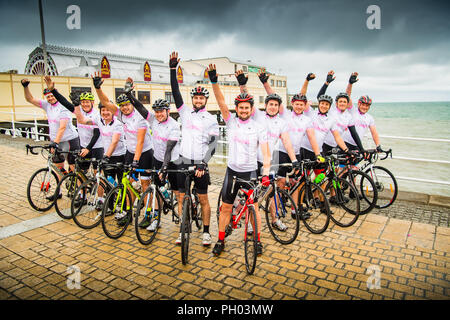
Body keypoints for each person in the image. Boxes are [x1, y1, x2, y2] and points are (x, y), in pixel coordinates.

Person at [208, 64, 271, 257]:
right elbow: (220, 103)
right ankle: (220, 240)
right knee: (226, 207)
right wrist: (214, 81)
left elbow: (267, 155)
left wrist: (266, 175)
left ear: (252, 109)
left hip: (250, 172)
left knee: (254, 208)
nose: (243, 110)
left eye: (247, 107)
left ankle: (258, 241)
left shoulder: (259, 127)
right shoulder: (231, 122)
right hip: (232, 172)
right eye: (240, 107)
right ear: (237, 109)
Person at [44, 76, 126, 210]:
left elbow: (97, 133)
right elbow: (64, 102)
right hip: (84, 146)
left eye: (88, 102)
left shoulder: (97, 114)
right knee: (80, 172)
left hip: (97, 147)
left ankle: (100, 198)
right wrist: (54, 90)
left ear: (92, 102)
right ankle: (82, 196)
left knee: (98, 174)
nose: (85, 104)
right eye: (83, 102)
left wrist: (88, 148)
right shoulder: (79, 111)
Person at [235, 69, 299, 231]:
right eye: (270, 104)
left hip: (269, 161)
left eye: (276, 105)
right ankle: (249, 223)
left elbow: (287, 142)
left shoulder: (281, 122)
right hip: (253, 159)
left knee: (275, 189)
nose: (273, 107)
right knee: (251, 192)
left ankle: (275, 219)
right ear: (266, 105)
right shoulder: (258, 116)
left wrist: (294, 160)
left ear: (278, 107)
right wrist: (242, 84)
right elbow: (246, 98)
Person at [169, 52, 219, 246]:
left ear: (205, 100)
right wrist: (172, 69)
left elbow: (213, 145)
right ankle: (184, 229)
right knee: (181, 197)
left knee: (203, 198)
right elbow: (175, 92)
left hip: (200, 162)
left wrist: (203, 164)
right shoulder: (185, 113)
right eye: (196, 98)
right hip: (183, 159)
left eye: (201, 99)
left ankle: (206, 232)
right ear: (193, 99)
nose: (198, 101)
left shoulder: (211, 119)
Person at [91, 72, 153, 225]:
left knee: (145, 184)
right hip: (130, 152)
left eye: (127, 104)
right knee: (127, 182)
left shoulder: (140, 118)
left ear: (132, 104)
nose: (124, 108)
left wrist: (135, 161)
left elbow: (140, 142)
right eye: (122, 106)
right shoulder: (120, 115)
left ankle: (148, 214)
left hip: (144, 153)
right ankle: (128, 212)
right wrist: (97, 88)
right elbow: (105, 102)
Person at [123, 77, 181, 232]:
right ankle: (156, 218)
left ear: (168, 111)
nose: (159, 114)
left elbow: (169, 149)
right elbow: (140, 108)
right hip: (156, 158)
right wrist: (130, 95)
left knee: (177, 192)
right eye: (156, 111)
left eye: (161, 111)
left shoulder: (174, 126)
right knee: (154, 188)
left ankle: (184, 214)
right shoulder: (154, 120)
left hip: (173, 161)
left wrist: (164, 168)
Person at [21, 78, 79, 192]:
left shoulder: (63, 106)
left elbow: (62, 127)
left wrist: (55, 143)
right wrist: (25, 87)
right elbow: (30, 99)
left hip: (69, 140)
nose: (51, 98)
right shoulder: (47, 105)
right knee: (58, 167)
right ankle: (59, 192)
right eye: (48, 97)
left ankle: (77, 191)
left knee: (73, 166)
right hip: (56, 141)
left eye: (52, 96)